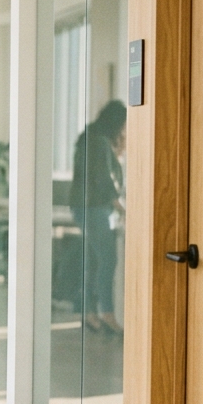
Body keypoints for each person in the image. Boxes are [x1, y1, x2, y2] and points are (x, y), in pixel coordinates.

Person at [69, 100, 126, 335]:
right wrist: (121, 207)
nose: (124, 129)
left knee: (94, 261)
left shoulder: (91, 137)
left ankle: (90, 312)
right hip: (94, 208)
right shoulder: (98, 141)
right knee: (108, 259)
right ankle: (107, 313)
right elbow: (103, 178)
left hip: (85, 207)